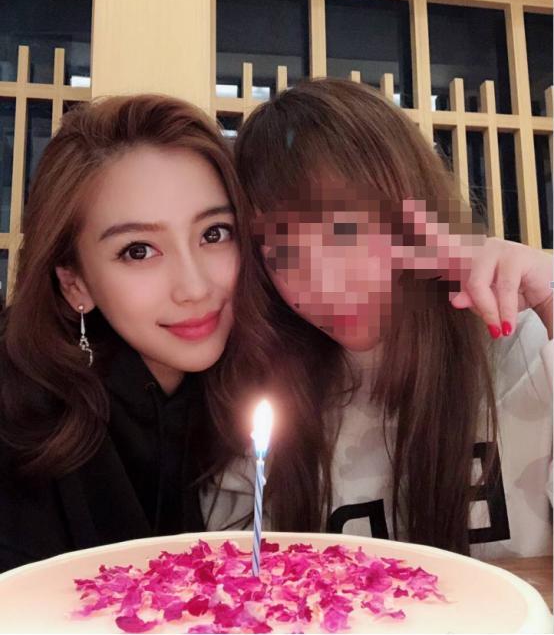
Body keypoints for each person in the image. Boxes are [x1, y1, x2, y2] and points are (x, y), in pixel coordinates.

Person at [203, 78, 553, 560]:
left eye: (345, 229)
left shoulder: (528, 351)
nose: (323, 284)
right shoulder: (258, 410)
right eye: (280, 251)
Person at [0, 94, 251, 573]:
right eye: (138, 251)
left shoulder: (261, 381)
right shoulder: (19, 422)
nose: (195, 288)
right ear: (75, 281)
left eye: (214, 233)